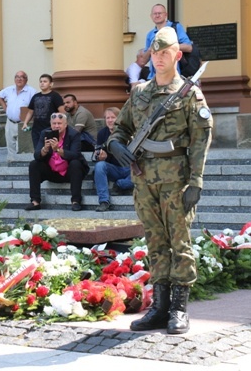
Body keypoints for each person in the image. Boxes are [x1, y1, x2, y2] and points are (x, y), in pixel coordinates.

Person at [108, 27, 213, 334]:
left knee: (179, 243)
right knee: (155, 242)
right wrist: (115, 144)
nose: (159, 58)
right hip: (143, 181)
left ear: (177, 55)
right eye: (154, 53)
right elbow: (121, 128)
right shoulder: (139, 93)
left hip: (176, 181)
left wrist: (196, 182)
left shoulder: (190, 94)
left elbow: (200, 139)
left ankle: (179, 309)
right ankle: (159, 307)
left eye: (165, 53)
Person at [26, 112, 89, 211]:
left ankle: (76, 201)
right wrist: (45, 150)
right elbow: (36, 155)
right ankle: (35, 201)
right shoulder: (45, 133)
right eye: (54, 123)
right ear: (50, 124)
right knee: (34, 164)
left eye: (59, 123)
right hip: (52, 171)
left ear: (65, 124)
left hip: (69, 172)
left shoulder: (74, 134)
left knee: (75, 163)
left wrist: (58, 150)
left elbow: (75, 155)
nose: (56, 126)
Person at [92, 107, 134, 212]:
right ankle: (104, 201)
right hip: (114, 169)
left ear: (119, 118)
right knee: (100, 165)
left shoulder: (129, 132)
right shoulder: (102, 133)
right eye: (107, 118)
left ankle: (121, 184)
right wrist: (102, 157)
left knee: (140, 175)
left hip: (131, 169)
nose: (110, 120)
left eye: (113, 117)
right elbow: (98, 153)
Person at [142, 4, 193, 79]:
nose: (157, 15)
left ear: (166, 15)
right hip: (153, 78)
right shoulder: (150, 34)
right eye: (155, 14)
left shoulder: (176, 27)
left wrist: (168, 46)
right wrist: (151, 49)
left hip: (173, 76)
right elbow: (144, 60)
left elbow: (189, 47)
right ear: (151, 16)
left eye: (160, 13)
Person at [0, 70, 37, 160]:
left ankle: (20, 164)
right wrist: (4, 106)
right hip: (10, 122)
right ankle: (11, 163)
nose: (19, 79)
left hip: (23, 123)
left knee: (21, 147)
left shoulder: (32, 91)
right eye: (17, 77)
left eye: (22, 77)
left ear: (26, 80)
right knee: (10, 145)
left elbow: (34, 107)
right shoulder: (9, 89)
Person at [22, 74, 65, 150]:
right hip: (36, 129)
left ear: (51, 84)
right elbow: (30, 112)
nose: (42, 83)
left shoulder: (55, 96)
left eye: (45, 81)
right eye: (41, 81)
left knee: (49, 151)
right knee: (38, 151)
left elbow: (62, 112)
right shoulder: (35, 96)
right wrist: (25, 123)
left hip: (50, 129)